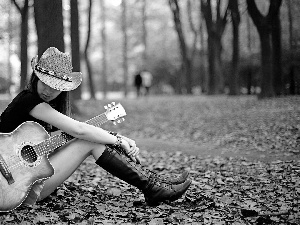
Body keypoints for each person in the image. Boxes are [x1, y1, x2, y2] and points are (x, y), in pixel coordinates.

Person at [0, 47, 191, 208]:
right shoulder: (29, 101)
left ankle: (156, 183)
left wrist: (112, 135)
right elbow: (78, 131)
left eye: (55, 86)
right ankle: (152, 187)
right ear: (36, 78)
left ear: (64, 89)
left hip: (21, 180)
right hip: (13, 189)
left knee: (89, 139)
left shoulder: (41, 107)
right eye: (45, 83)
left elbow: (65, 134)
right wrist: (118, 140)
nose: (48, 90)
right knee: (87, 142)